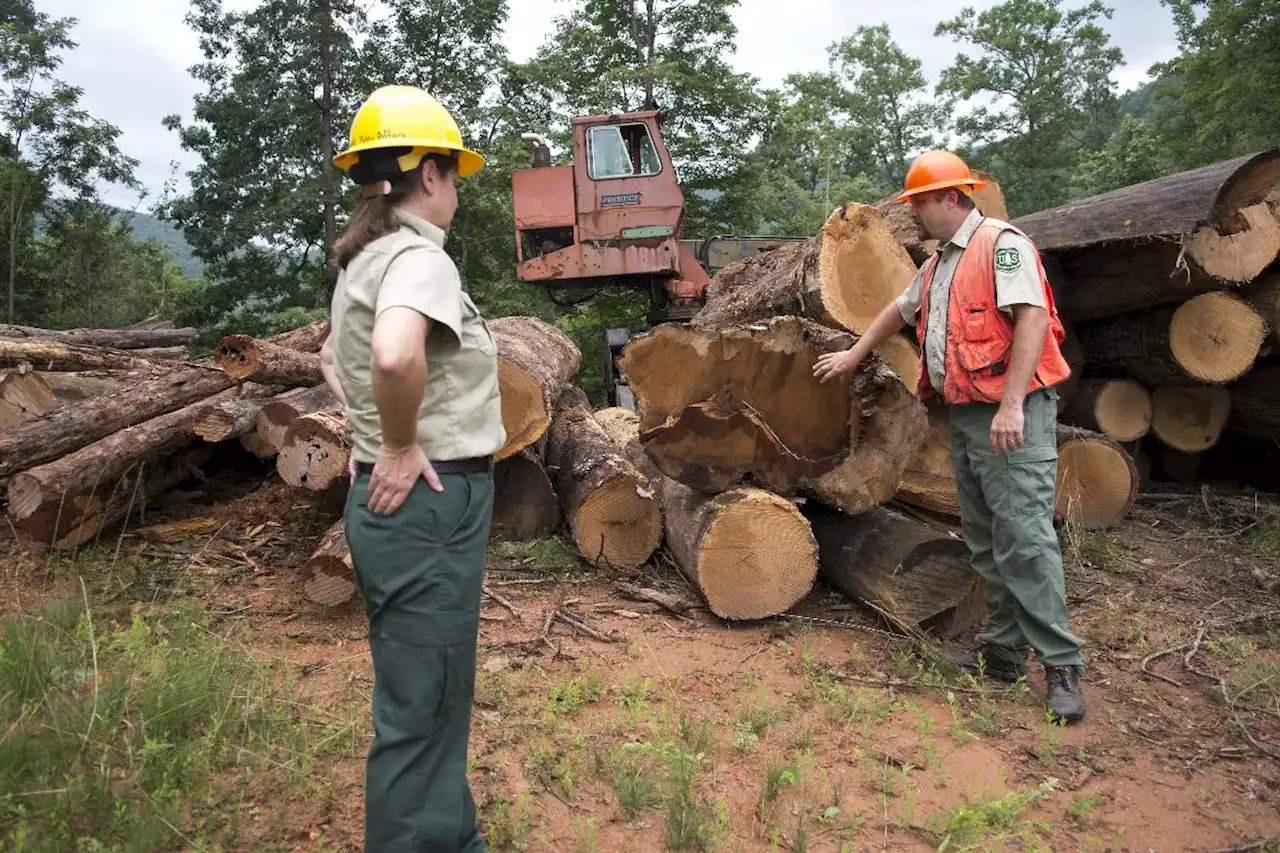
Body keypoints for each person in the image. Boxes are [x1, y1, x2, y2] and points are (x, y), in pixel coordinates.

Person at [813, 150, 1086, 724]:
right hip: (964, 416)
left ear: (950, 198)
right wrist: (855, 353)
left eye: (920, 205)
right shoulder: (941, 264)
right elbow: (899, 308)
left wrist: (1013, 404)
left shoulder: (1000, 245)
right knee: (987, 538)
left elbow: (1032, 318)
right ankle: (1005, 655)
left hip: (1010, 414)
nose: (914, 217)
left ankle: (1061, 666)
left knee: (1026, 538)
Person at [319, 84, 505, 851]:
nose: (456, 190)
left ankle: (452, 837)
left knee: (428, 693)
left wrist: (375, 432)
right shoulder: (417, 257)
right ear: (428, 174)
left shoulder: (363, 258)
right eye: (454, 174)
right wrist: (397, 442)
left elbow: (336, 358)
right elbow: (393, 355)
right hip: (429, 503)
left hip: (399, 509)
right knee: (423, 705)